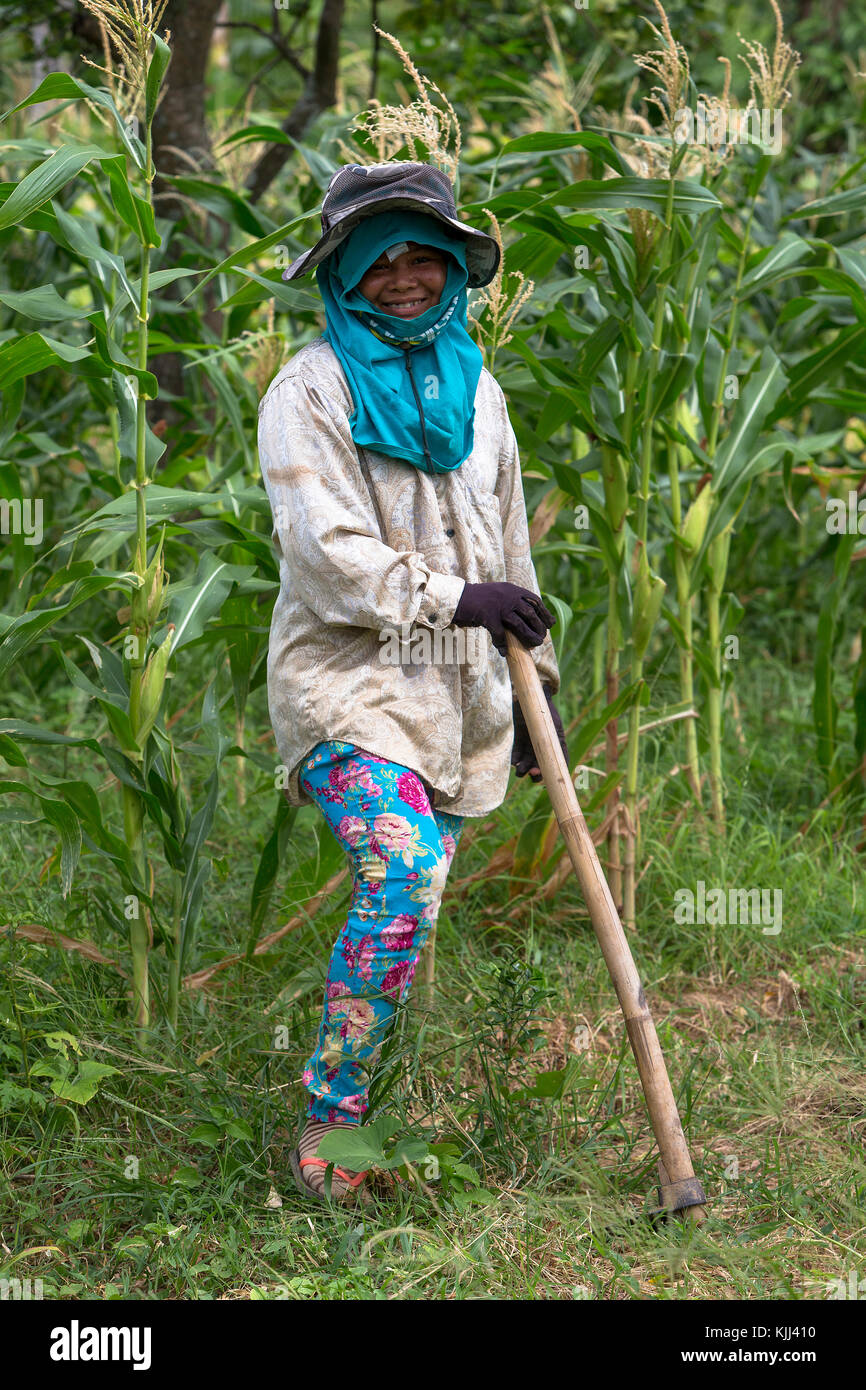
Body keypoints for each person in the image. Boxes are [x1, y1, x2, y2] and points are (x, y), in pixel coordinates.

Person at [257, 161, 568, 1203]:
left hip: (460, 695)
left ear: (450, 267)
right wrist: (451, 599)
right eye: (374, 258)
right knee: (400, 877)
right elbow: (321, 551)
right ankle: (328, 1130)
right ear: (342, 274)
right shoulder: (310, 389)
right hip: (346, 684)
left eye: (418, 254)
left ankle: (402, 1104)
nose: (398, 274)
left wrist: (538, 689)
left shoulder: (478, 392)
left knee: (417, 900)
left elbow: (510, 549)